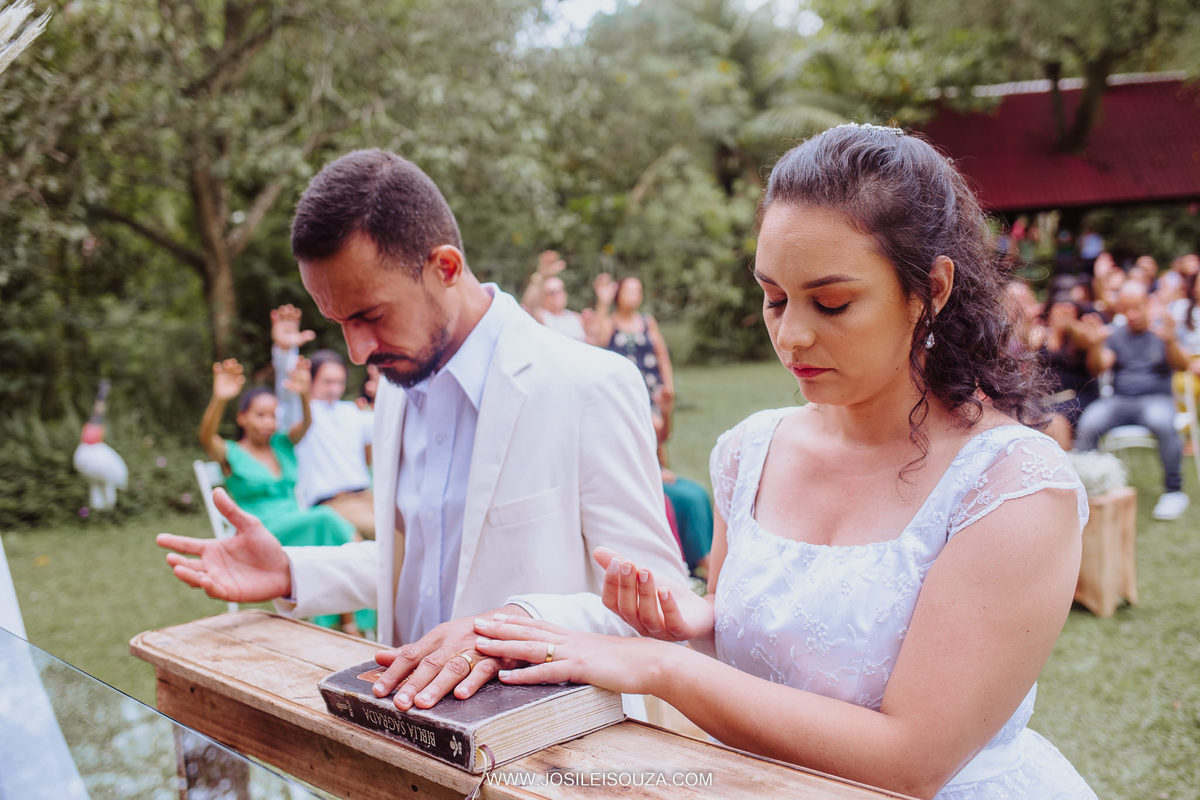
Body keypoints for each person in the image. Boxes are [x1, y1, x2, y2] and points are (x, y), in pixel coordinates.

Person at [471, 124, 1097, 799]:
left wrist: (663, 667)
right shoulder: (750, 452)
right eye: (774, 298)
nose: (791, 334)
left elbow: (911, 760)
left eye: (832, 302)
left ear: (931, 289)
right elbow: (782, 665)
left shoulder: (1011, 486)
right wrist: (699, 626)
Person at [158, 148, 686, 713]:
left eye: (371, 316)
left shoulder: (589, 384)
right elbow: (425, 564)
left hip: (546, 763)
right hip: (405, 748)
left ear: (446, 268)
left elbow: (663, 601)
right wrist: (292, 569)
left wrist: (515, 624)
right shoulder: (394, 386)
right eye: (340, 324)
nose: (359, 353)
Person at [1075, 280, 1192, 520]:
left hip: (1156, 399)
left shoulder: (1164, 331)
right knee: (1090, 422)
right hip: (1119, 400)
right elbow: (1098, 367)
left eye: (1137, 307)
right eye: (1126, 309)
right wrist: (1096, 345)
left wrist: (1170, 341)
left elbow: (1182, 365)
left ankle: (1174, 491)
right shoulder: (1116, 335)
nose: (1132, 314)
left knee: (1162, 421)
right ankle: (1085, 490)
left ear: (1148, 304)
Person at [270, 304, 376, 539]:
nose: (335, 389)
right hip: (331, 506)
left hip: (369, 498)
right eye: (328, 382)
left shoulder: (352, 413)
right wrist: (285, 350)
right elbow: (287, 388)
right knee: (393, 533)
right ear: (311, 379)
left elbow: (389, 425)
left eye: (339, 382)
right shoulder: (300, 414)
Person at [586, 273, 676, 431]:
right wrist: (603, 302)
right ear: (618, 293)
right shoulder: (609, 323)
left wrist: (668, 385)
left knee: (657, 438)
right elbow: (597, 342)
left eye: (638, 291)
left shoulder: (648, 321)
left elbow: (662, 355)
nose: (634, 295)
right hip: (623, 391)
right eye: (629, 291)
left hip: (651, 388)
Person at [520, 250, 587, 342]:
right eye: (553, 292)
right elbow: (527, 305)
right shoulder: (541, 316)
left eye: (561, 290)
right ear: (542, 298)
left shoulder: (576, 317)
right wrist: (542, 275)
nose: (559, 295)